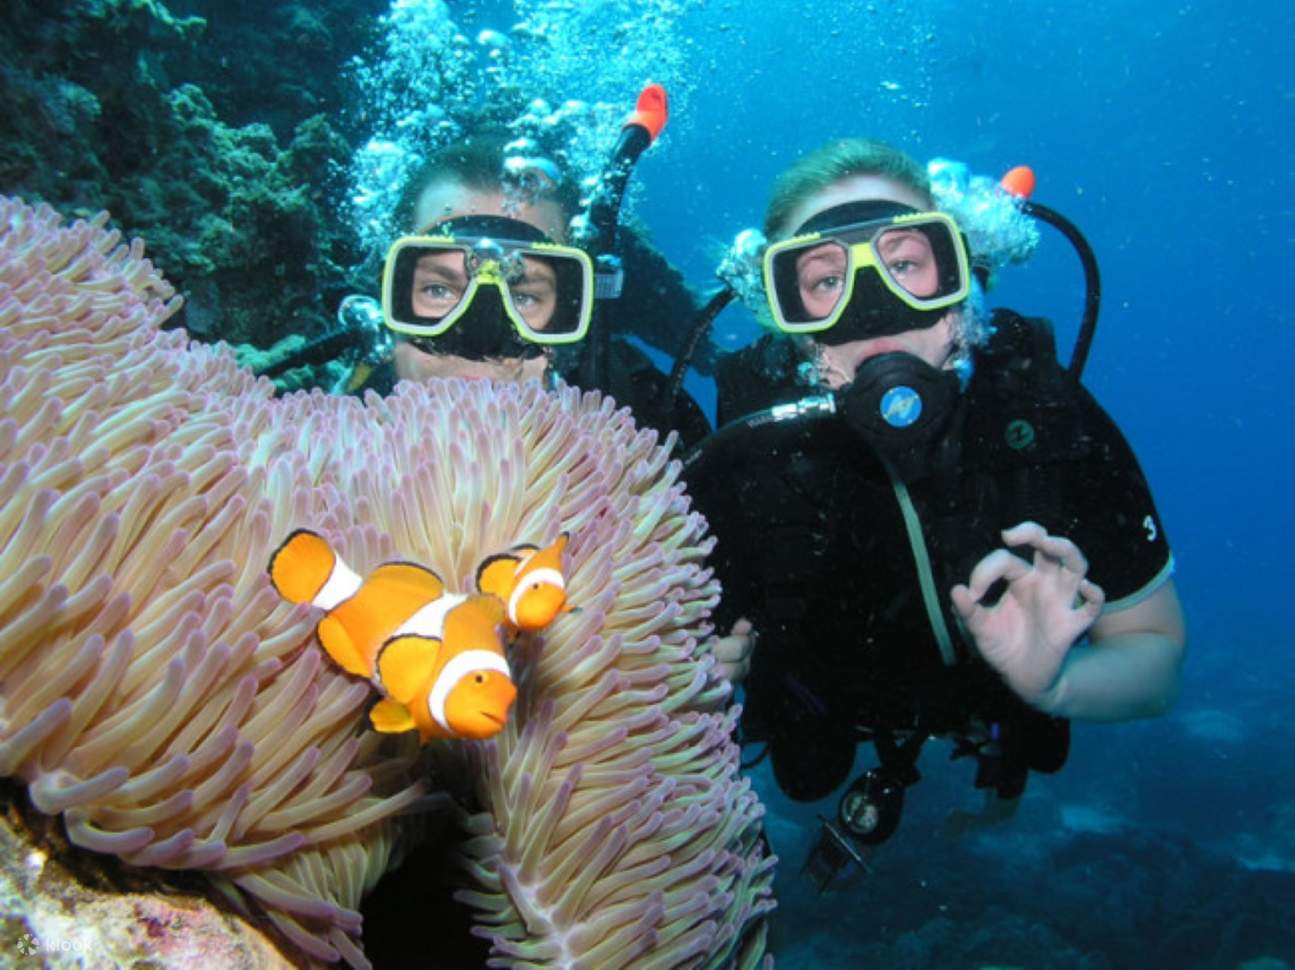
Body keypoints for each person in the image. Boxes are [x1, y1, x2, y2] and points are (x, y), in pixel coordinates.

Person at [684, 138, 1186, 883]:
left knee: (1032, 743)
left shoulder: (1042, 415)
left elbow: (1155, 657)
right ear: (782, 308)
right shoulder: (744, 449)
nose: (874, 305)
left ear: (959, 275)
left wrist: (1057, 687)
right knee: (803, 770)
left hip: (990, 707)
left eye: (906, 264)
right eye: (825, 279)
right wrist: (698, 674)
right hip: (820, 699)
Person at [348, 130, 713, 451]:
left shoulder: (645, 426)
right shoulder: (324, 429)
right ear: (388, 296)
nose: (481, 347)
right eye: (440, 290)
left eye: (522, 297)